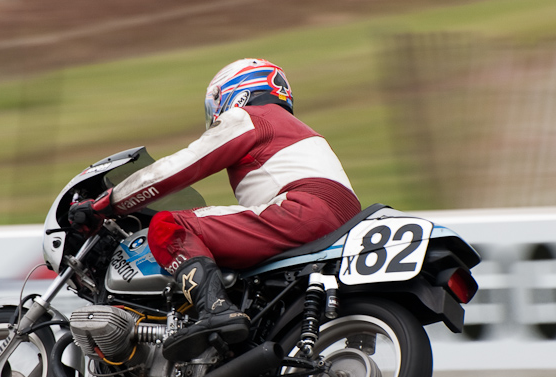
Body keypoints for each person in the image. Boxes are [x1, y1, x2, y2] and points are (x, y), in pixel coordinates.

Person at [69, 58, 361, 360]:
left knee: (170, 226)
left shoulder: (250, 117)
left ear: (239, 91)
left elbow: (179, 168)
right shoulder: (302, 131)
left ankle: (215, 310)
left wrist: (107, 203)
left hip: (301, 209)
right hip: (342, 222)